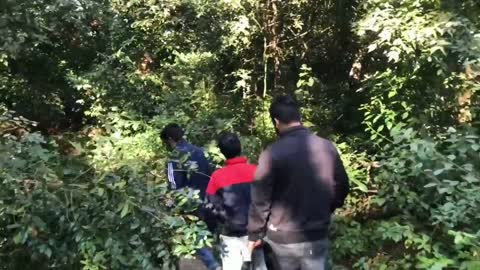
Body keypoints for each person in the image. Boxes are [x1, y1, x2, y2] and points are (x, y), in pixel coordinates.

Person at [247, 95, 350, 270]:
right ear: (298, 117)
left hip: (282, 238)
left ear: (276, 121)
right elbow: (342, 186)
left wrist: (254, 234)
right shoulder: (326, 147)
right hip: (316, 233)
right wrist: (327, 208)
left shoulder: (272, 153)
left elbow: (260, 199)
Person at [160, 123, 221, 270]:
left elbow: (174, 185)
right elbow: (212, 174)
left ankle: (214, 265)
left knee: (195, 235)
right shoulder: (201, 152)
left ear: (169, 139)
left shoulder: (174, 159)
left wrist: (170, 203)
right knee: (210, 235)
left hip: (190, 204)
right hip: (209, 199)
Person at [205, 133, 267, 270]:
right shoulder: (256, 171)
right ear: (240, 148)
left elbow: (209, 206)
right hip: (256, 235)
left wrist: (217, 226)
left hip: (231, 235)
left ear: (222, 152)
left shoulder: (217, 177)